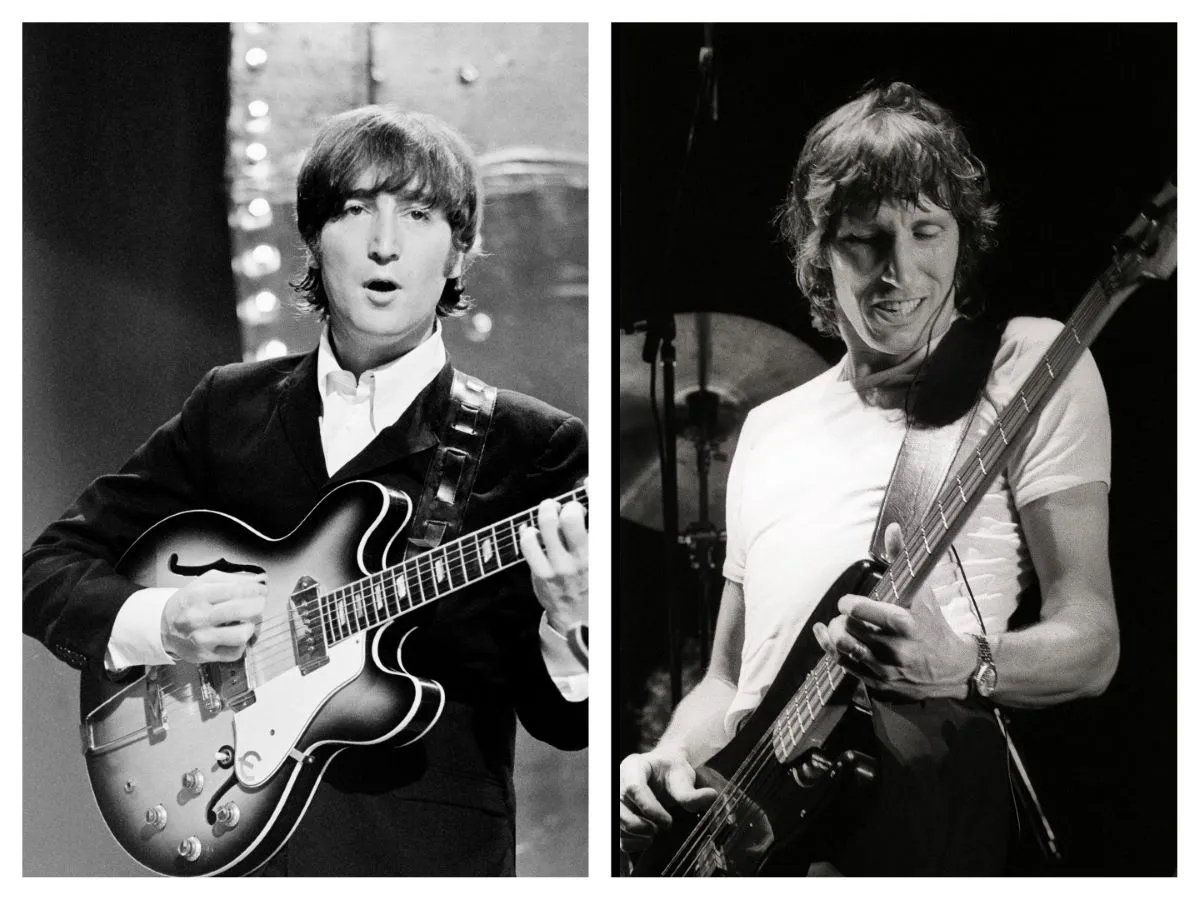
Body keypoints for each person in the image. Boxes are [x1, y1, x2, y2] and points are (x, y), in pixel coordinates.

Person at [23, 106, 588, 876]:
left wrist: (569, 622)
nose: (384, 242)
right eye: (356, 210)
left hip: (419, 861)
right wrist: (164, 622)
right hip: (238, 846)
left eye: (418, 214)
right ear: (316, 241)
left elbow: (560, 718)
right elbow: (50, 566)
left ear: (458, 255)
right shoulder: (230, 406)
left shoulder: (532, 445)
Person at [618, 82, 1118, 875]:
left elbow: (1093, 644)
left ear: (964, 238)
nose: (901, 270)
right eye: (866, 240)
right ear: (817, 250)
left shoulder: (1027, 361)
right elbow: (728, 684)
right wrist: (668, 755)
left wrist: (966, 664)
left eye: (928, 231)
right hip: (759, 840)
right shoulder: (770, 428)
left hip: (916, 819)